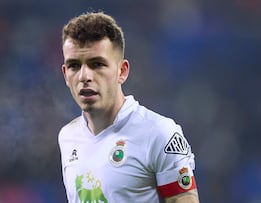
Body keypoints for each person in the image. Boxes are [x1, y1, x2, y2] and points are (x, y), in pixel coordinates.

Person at [58, 11, 200, 203]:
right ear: (66, 74)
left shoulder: (158, 133)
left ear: (122, 72)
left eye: (97, 64)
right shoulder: (68, 137)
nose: (84, 76)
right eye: (74, 65)